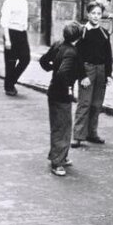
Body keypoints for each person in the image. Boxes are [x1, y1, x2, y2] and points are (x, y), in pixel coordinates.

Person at [39, 21, 83, 177]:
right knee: (62, 128)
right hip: (61, 95)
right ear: (78, 37)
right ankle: (57, 162)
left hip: (54, 92)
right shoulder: (72, 52)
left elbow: (43, 61)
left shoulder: (58, 45)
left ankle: (59, 156)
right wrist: (69, 90)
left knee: (61, 126)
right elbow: (63, 74)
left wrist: (52, 67)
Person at [72, 1, 112, 148]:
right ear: (88, 14)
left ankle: (92, 133)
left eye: (99, 14)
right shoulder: (82, 33)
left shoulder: (104, 33)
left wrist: (108, 74)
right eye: (93, 13)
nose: (96, 16)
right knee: (84, 103)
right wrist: (82, 76)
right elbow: (78, 57)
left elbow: (108, 55)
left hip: (101, 71)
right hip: (87, 71)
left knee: (96, 104)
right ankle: (78, 135)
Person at [0, 0, 30, 96]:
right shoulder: (9, 2)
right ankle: (9, 87)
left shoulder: (25, 2)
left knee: (25, 59)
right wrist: (7, 39)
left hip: (22, 33)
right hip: (11, 32)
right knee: (11, 61)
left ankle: (11, 81)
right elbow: (4, 21)